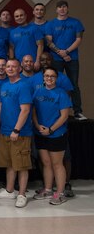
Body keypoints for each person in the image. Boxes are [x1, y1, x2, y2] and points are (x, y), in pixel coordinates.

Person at [0, 58, 33, 208]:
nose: (9, 69)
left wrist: (16, 129)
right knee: (9, 163)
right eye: (7, 66)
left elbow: (26, 110)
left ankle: (21, 194)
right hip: (5, 131)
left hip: (20, 133)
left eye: (13, 66)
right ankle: (10, 191)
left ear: (20, 69)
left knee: (21, 165)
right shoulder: (4, 85)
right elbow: (1, 107)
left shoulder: (23, 86)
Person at [32, 67, 72, 205]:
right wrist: (38, 126)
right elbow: (34, 111)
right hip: (40, 133)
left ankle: (60, 193)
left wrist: (51, 129)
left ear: (56, 78)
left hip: (56, 134)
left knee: (57, 164)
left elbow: (64, 115)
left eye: (52, 76)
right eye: (47, 76)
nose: (49, 78)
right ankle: (48, 189)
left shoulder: (61, 94)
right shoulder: (38, 91)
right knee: (46, 163)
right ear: (43, 77)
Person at [45, 0, 86, 120]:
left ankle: (77, 111)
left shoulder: (76, 22)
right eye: (59, 7)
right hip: (56, 59)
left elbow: (78, 40)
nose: (62, 9)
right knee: (55, 83)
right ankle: (55, 110)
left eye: (64, 7)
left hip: (72, 59)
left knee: (73, 84)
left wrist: (66, 52)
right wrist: (61, 53)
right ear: (56, 10)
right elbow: (49, 42)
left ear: (67, 9)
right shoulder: (50, 24)